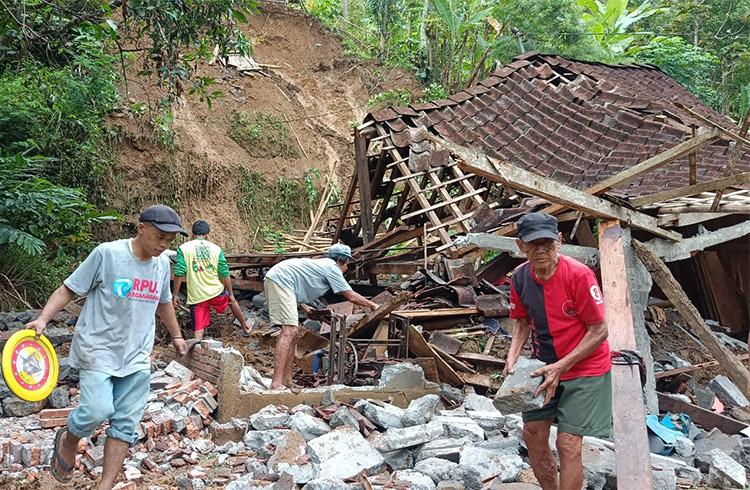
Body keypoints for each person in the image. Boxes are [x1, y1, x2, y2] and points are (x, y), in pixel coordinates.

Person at [26, 204, 188, 489]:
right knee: (97, 410)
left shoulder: (162, 263)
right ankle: (69, 437)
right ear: (141, 227)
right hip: (98, 348)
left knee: (125, 424)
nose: (163, 245)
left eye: (169, 240)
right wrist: (42, 320)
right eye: (160, 237)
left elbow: (163, 303)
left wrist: (176, 337)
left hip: (137, 354)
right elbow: (69, 288)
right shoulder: (108, 254)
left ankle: (105, 484)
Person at [504, 211, 611, 490]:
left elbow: (599, 331)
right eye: (533, 244)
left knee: (568, 442)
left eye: (547, 244)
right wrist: (512, 358)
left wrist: (561, 366)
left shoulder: (579, 275)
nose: (541, 251)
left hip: (585, 367)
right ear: (521, 246)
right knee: (533, 435)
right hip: (544, 365)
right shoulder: (519, 278)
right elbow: (521, 322)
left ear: (559, 242)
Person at [264, 243, 379, 390]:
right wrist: (373, 305)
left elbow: (298, 282)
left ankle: (286, 380)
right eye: (347, 264)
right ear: (342, 261)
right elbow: (351, 296)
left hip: (282, 281)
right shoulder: (332, 268)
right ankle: (276, 383)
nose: (346, 268)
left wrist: (305, 307)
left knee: (294, 333)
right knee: (289, 332)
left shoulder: (322, 265)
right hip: (281, 280)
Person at [172, 220, 251, 340]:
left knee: (198, 329)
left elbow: (179, 272)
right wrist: (230, 294)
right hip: (216, 292)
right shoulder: (216, 249)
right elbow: (224, 273)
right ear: (207, 235)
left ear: (192, 235)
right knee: (231, 301)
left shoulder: (183, 249)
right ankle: (246, 327)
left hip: (197, 296)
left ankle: (197, 348)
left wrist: (175, 295)